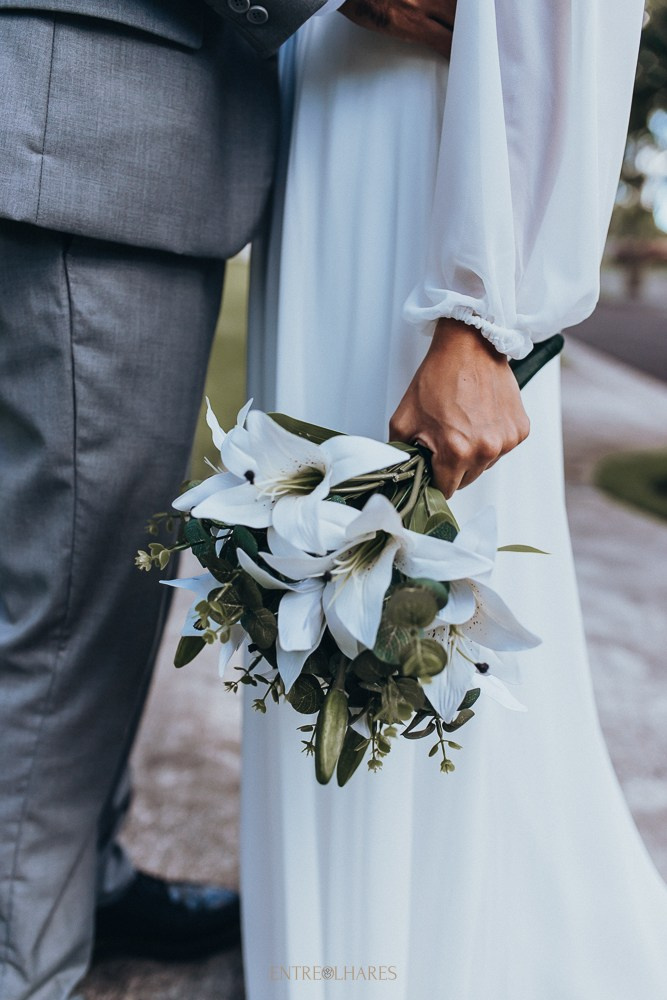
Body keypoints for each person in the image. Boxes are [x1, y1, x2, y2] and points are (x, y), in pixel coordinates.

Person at [0, 2, 446, 998]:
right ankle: (20, 956)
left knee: (47, 559)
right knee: (76, 595)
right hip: (90, 133)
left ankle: (80, 877)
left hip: (68, 126)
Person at [241, 2, 667, 997]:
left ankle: (426, 959)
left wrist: (478, 316)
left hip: (432, 173)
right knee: (313, 571)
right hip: (330, 136)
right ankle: (329, 951)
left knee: (421, 599)